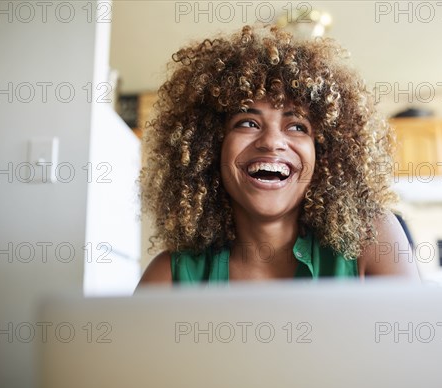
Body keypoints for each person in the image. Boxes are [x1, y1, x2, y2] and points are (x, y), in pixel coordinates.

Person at [137, 25, 419, 286]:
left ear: (324, 153)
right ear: (209, 147)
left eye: (297, 126)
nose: (272, 142)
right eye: (248, 123)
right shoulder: (169, 277)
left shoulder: (373, 241)